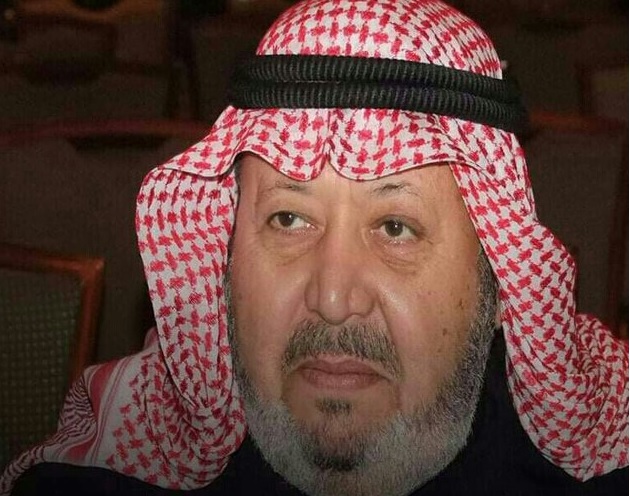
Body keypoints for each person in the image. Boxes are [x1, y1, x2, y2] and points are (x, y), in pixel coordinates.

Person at [1, 0, 627, 495]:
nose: (332, 298)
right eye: (289, 218)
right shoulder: (109, 474)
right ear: (225, 258)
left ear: (502, 281)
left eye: (395, 228)